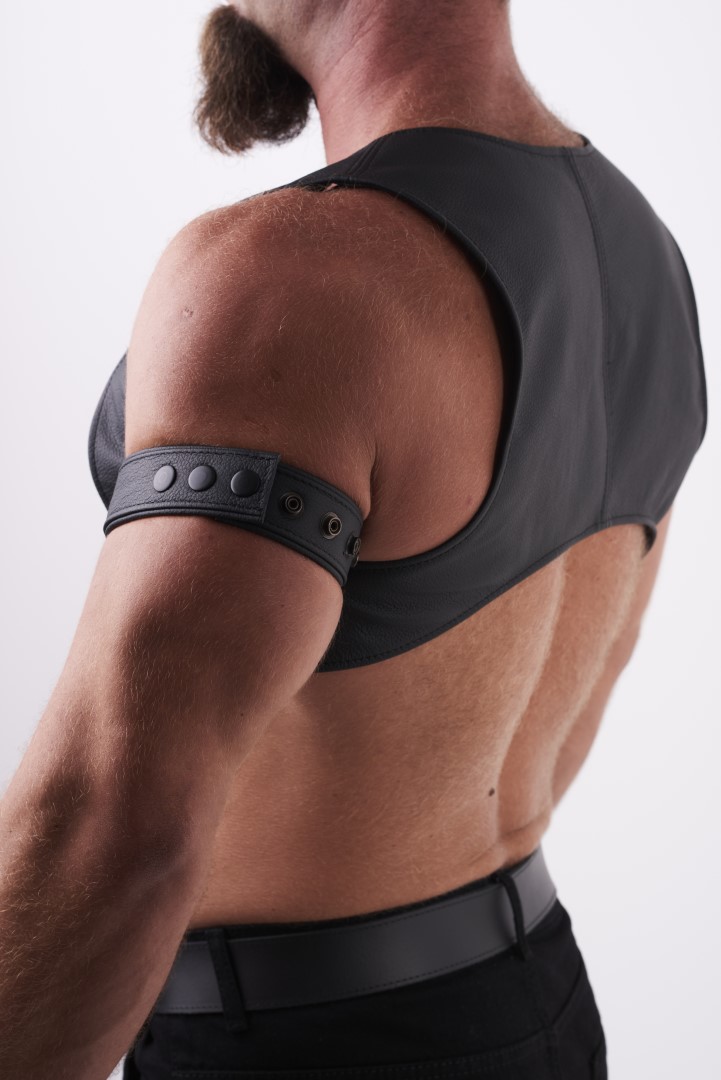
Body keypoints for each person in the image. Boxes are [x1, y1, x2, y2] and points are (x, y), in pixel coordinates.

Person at [0, 2, 706, 1078]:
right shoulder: (643, 254)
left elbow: (110, 830)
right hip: (536, 1006)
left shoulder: (293, 277)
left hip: (289, 1043)